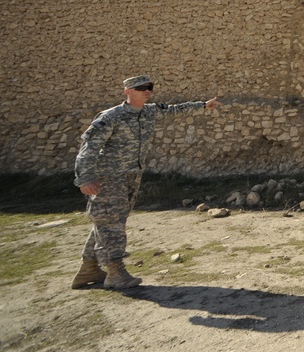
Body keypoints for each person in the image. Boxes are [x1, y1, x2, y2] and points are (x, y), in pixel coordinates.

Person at [71, 75, 222, 290]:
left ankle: (89, 269)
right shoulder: (111, 117)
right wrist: (85, 178)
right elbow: (89, 149)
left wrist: (203, 106)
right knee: (111, 224)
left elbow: (173, 110)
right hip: (109, 178)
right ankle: (115, 272)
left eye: (149, 87)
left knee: (107, 221)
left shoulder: (149, 112)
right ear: (127, 91)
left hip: (131, 176)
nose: (146, 91)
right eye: (141, 87)